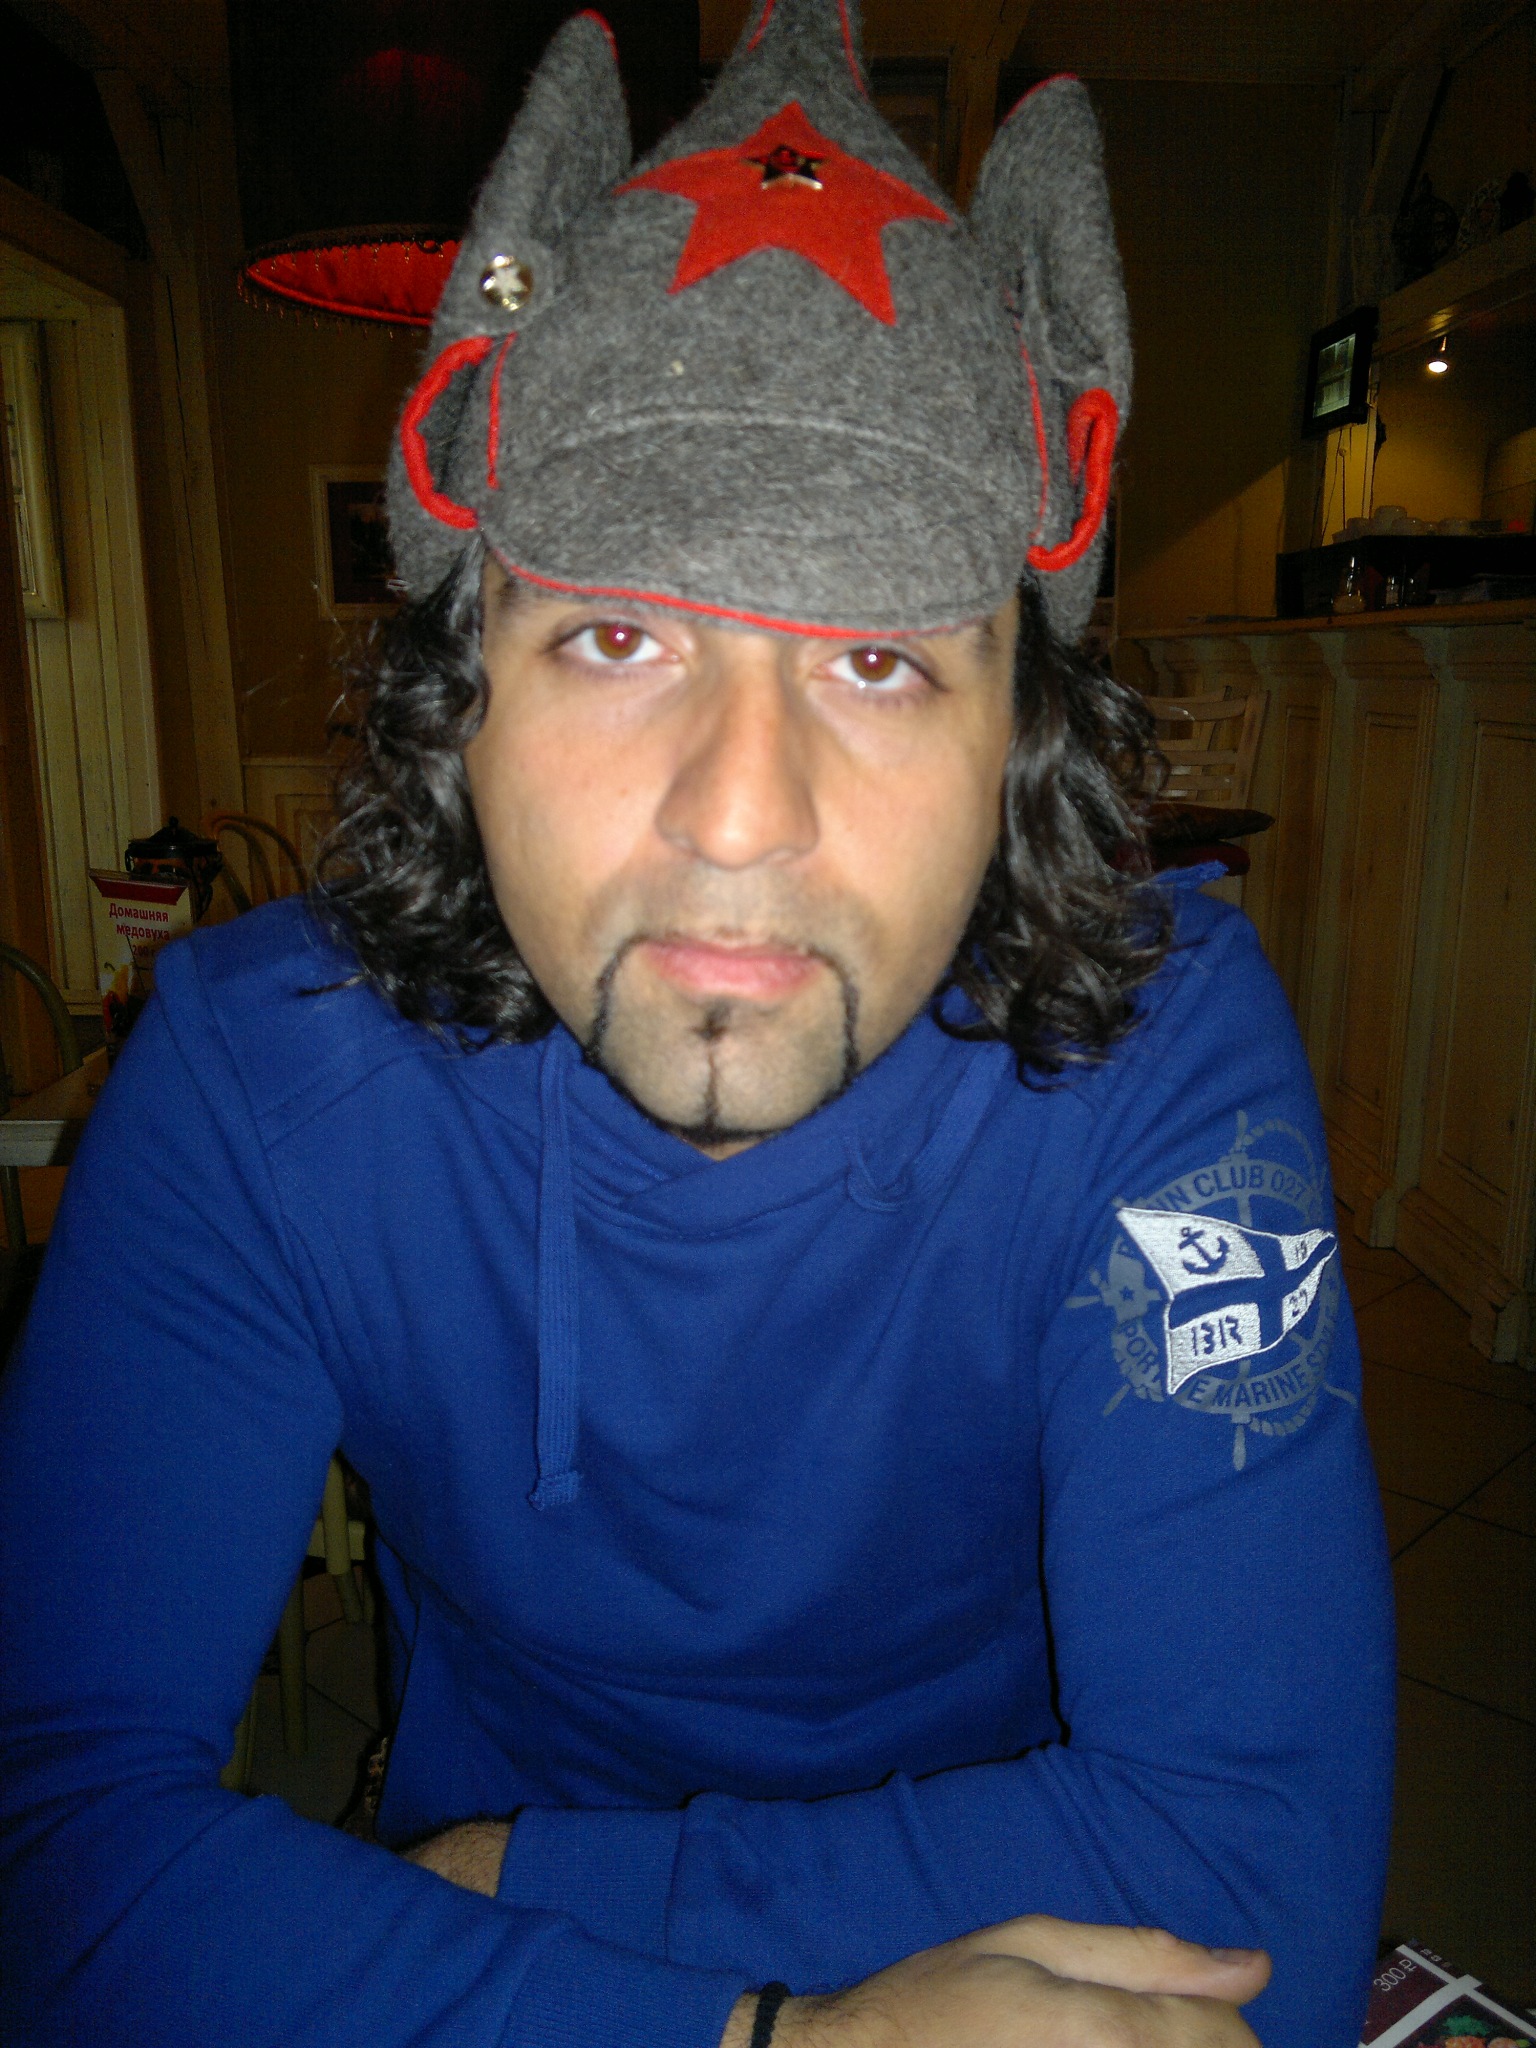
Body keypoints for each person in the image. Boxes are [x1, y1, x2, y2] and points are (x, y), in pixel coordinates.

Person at [0, 4, 1394, 2045]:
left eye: (879, 662)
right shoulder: (250, 1072)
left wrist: (532, 1880)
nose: (741, 814)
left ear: (1023, 734)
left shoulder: (1160, 1061)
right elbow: (43, 1845)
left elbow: (1258, 1871)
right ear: (461, 698)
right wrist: (763, 2033)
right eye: (618, 633)